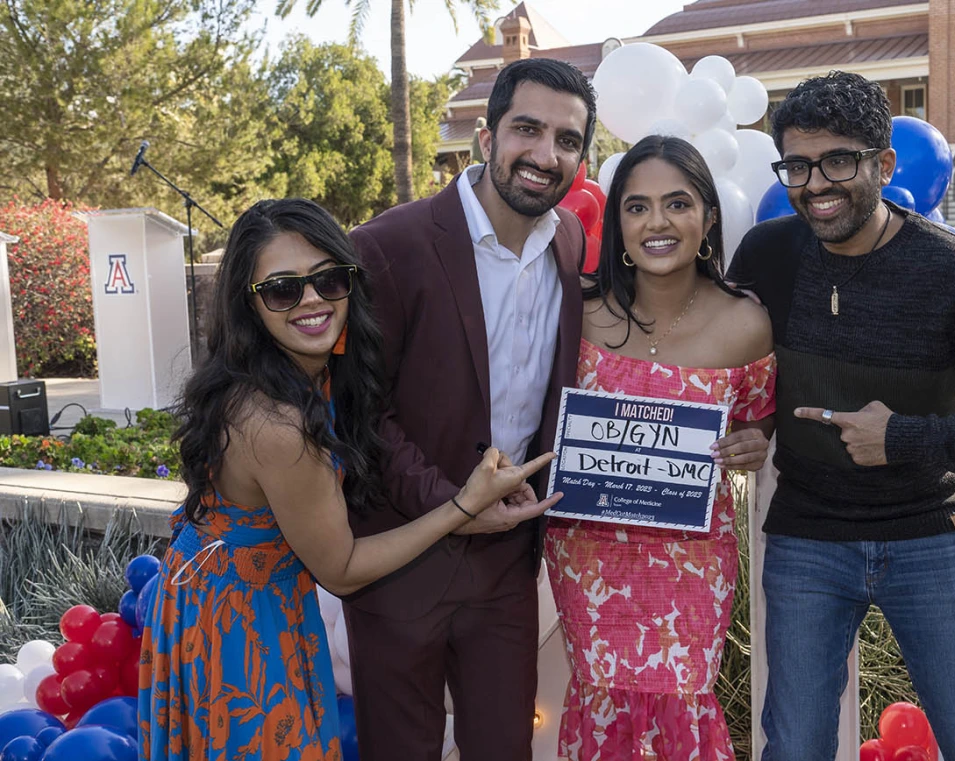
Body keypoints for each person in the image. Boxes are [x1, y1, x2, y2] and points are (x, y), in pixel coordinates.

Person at [726, 71, 955, 761]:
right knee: (794, 747)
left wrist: (905, 438)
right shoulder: (768, 255)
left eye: (838, 160)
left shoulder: (952, 271)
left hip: (933, 540)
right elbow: (747, 369)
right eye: (798, 165)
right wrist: (758, 427)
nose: (815, 183)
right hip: (808, 540)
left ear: (884, 164)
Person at [138, 198, 556, 761]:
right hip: (239, 623)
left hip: (247, 598)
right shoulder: (277, 424)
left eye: (328, 279)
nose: (311, 301)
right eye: (284, 289)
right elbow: (343, 569)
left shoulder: (308, 375)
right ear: (249, 303)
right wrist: (462, 508)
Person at [343, 57, 595, 761]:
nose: (546, 156)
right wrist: (454, 504)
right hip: (402, 556)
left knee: (504, 747)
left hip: (507, 569)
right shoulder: (387, 245)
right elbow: (361, 414)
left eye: (567, 140)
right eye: (527, 129)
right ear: (486, 138)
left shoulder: (569, 244)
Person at [545, 135, 777, 760]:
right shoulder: (578, 310)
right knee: (601, 696)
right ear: (618, 221)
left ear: (706, 217)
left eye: (677, 204)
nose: (657, 223)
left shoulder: (747, 323)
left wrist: (756, 444)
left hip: (693, 556)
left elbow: (759, 419)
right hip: (588, 553)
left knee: (684, 697)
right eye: (637, 206)